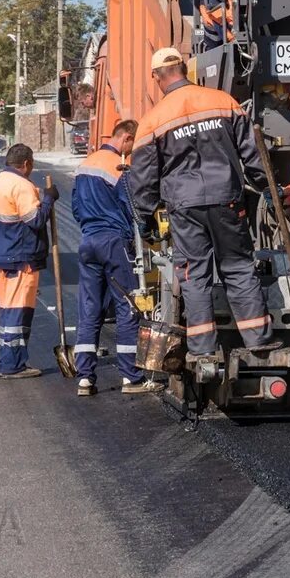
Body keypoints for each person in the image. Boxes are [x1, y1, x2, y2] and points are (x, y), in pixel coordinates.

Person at [129, 48, 276, 359]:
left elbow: (144, 176)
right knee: (237, 266)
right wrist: (267, 190)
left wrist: (145, 215)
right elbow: (252, 154)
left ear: (157, 78)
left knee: (194, 273)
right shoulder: (223, 102)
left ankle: (202, 348)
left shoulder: (153, 120)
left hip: (184, 206)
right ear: (185, 68)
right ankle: (257, 340)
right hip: (227, 199)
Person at [70, 119, 163, 397]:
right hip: (114, 242)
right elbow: (133, 206)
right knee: (128, 306)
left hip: (88, 241)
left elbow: (76, 208)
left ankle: (84, 378)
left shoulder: (84, 165)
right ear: (126, 138)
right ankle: (130, 378)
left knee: (90, 309)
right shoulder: (119, 166)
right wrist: (149, 230)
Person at [0, 144, 58, 379]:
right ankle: (11, 365)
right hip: (18, 257)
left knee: (8, 312)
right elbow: (35, 221)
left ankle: (10, 361)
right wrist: (49, 199)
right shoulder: (22, 186)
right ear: (26, 163)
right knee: (17, 312)